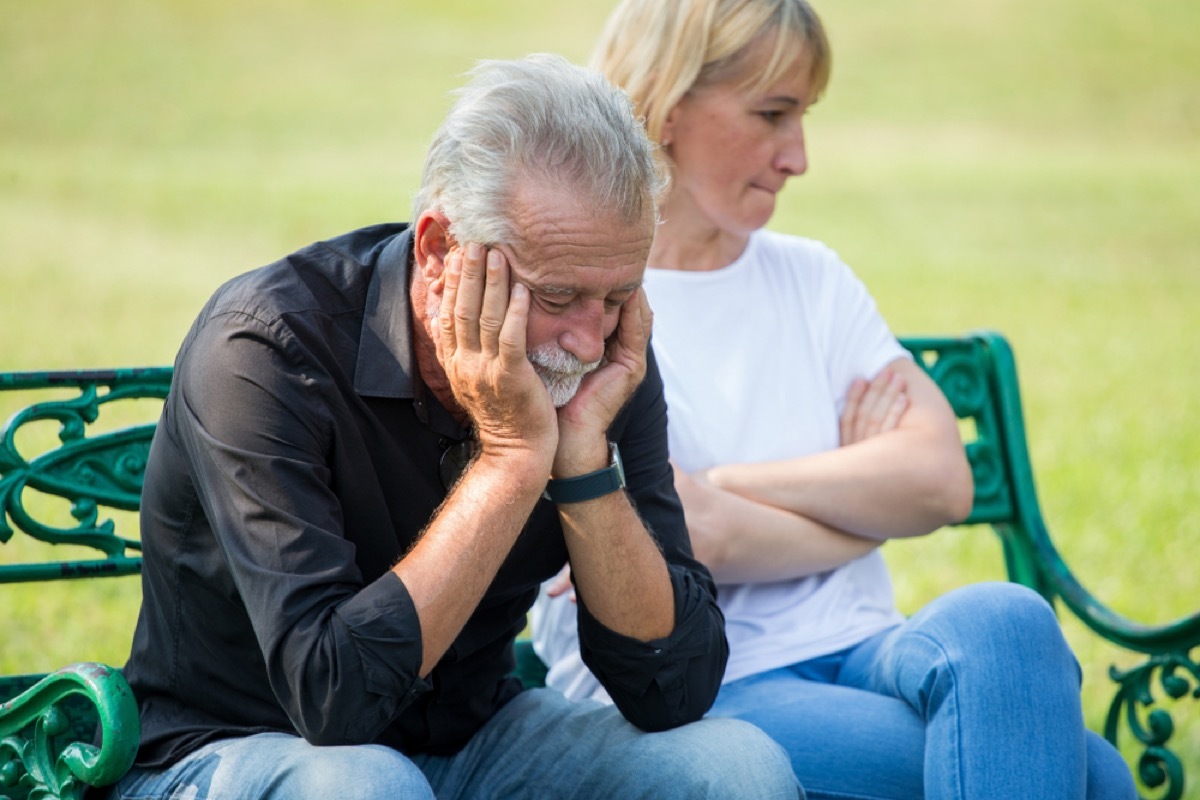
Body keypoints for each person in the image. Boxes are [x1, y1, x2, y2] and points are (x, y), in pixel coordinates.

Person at [106, 53, 801, 800]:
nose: (586, 341)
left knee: (736, 768)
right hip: (230, 750)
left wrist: (584, 462)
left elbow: (675, 689)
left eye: (616, 297)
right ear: (440, 250)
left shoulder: (599, 354)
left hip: (473, 738)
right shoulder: (265, 348)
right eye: (555, 295)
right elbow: (333, 701)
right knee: (368, 787)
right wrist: (509, 461)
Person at [529, 2, 1138, 798]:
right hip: (697, 691)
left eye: (803, 117)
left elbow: (940, 481)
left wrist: (725, 487)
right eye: (772, 114)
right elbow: (694, 535)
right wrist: (860, 497)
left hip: (862, 650)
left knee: (1008, 617)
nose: (799, 157)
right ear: (668, 105)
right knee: (1093, 773)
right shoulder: (588, 300)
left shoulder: (812, 278)